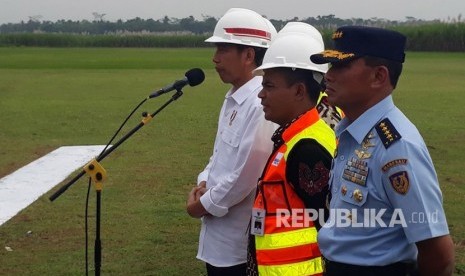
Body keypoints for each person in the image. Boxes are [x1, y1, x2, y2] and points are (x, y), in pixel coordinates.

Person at [310, 26, 455, 276]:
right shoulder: (352, 132)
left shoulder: (397, 147)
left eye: (340, 66)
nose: (328, 76)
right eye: (330, 66)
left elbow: (438, 253)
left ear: (378, 76)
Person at [185, 8, 278, 276]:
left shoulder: (260, 103)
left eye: (223, 49)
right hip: (218, 238)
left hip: (237, 242)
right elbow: (219, 154)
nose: (215, 59)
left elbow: (245, 176)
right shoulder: (235, 96)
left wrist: (202, 204)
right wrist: (203, 181)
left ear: (249, 55)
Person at [246, 23, 337, 276]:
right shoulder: (292, 138)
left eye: (269, 86)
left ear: (299, 90)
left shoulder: (306, 149)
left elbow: (330, 226)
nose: (261, 95)